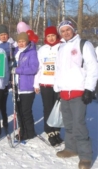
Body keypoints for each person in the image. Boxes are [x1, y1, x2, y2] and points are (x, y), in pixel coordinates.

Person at [54, 20, 98, 169]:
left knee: (79, 124)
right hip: (64, 91)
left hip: (79, 91)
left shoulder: (84, 44)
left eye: (68, 29)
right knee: (69, 123)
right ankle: (71, 148)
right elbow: (58, 70)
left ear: (73, 30)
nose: (66, 32)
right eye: (63, 30)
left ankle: (85, 156)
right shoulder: (61, 47)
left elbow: (93, 67)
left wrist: (89, 89)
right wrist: (57, 88)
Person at [33, 26, 63, 146]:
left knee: (59, 109)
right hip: (45, 83)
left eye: (53, 35)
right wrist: (36, 84)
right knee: (48, 108)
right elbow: (39, 68)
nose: (51, 38)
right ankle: (49, 131)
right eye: (48, 36)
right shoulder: (42, 50)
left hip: (59, 84)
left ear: (57, 36)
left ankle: (57, 131)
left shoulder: (62, 47)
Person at [12, 32, 39, 141]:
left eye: (23, 41)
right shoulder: (16, 52)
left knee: (26, 111)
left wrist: (17, 70)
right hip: (17, 86)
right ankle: (22, 131)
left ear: (27, 41)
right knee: (19, 111)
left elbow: (33, 68)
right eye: (19, 41)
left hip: (27, 87)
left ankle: (30, 132)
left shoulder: (31, 52)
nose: (21, 43)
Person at [0, 24, 17, 129]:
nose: (3, 37)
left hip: (10, 74)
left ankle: (5, 120)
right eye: (1, 35)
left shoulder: (13, 44)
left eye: (5, 34)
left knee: (5, 100)